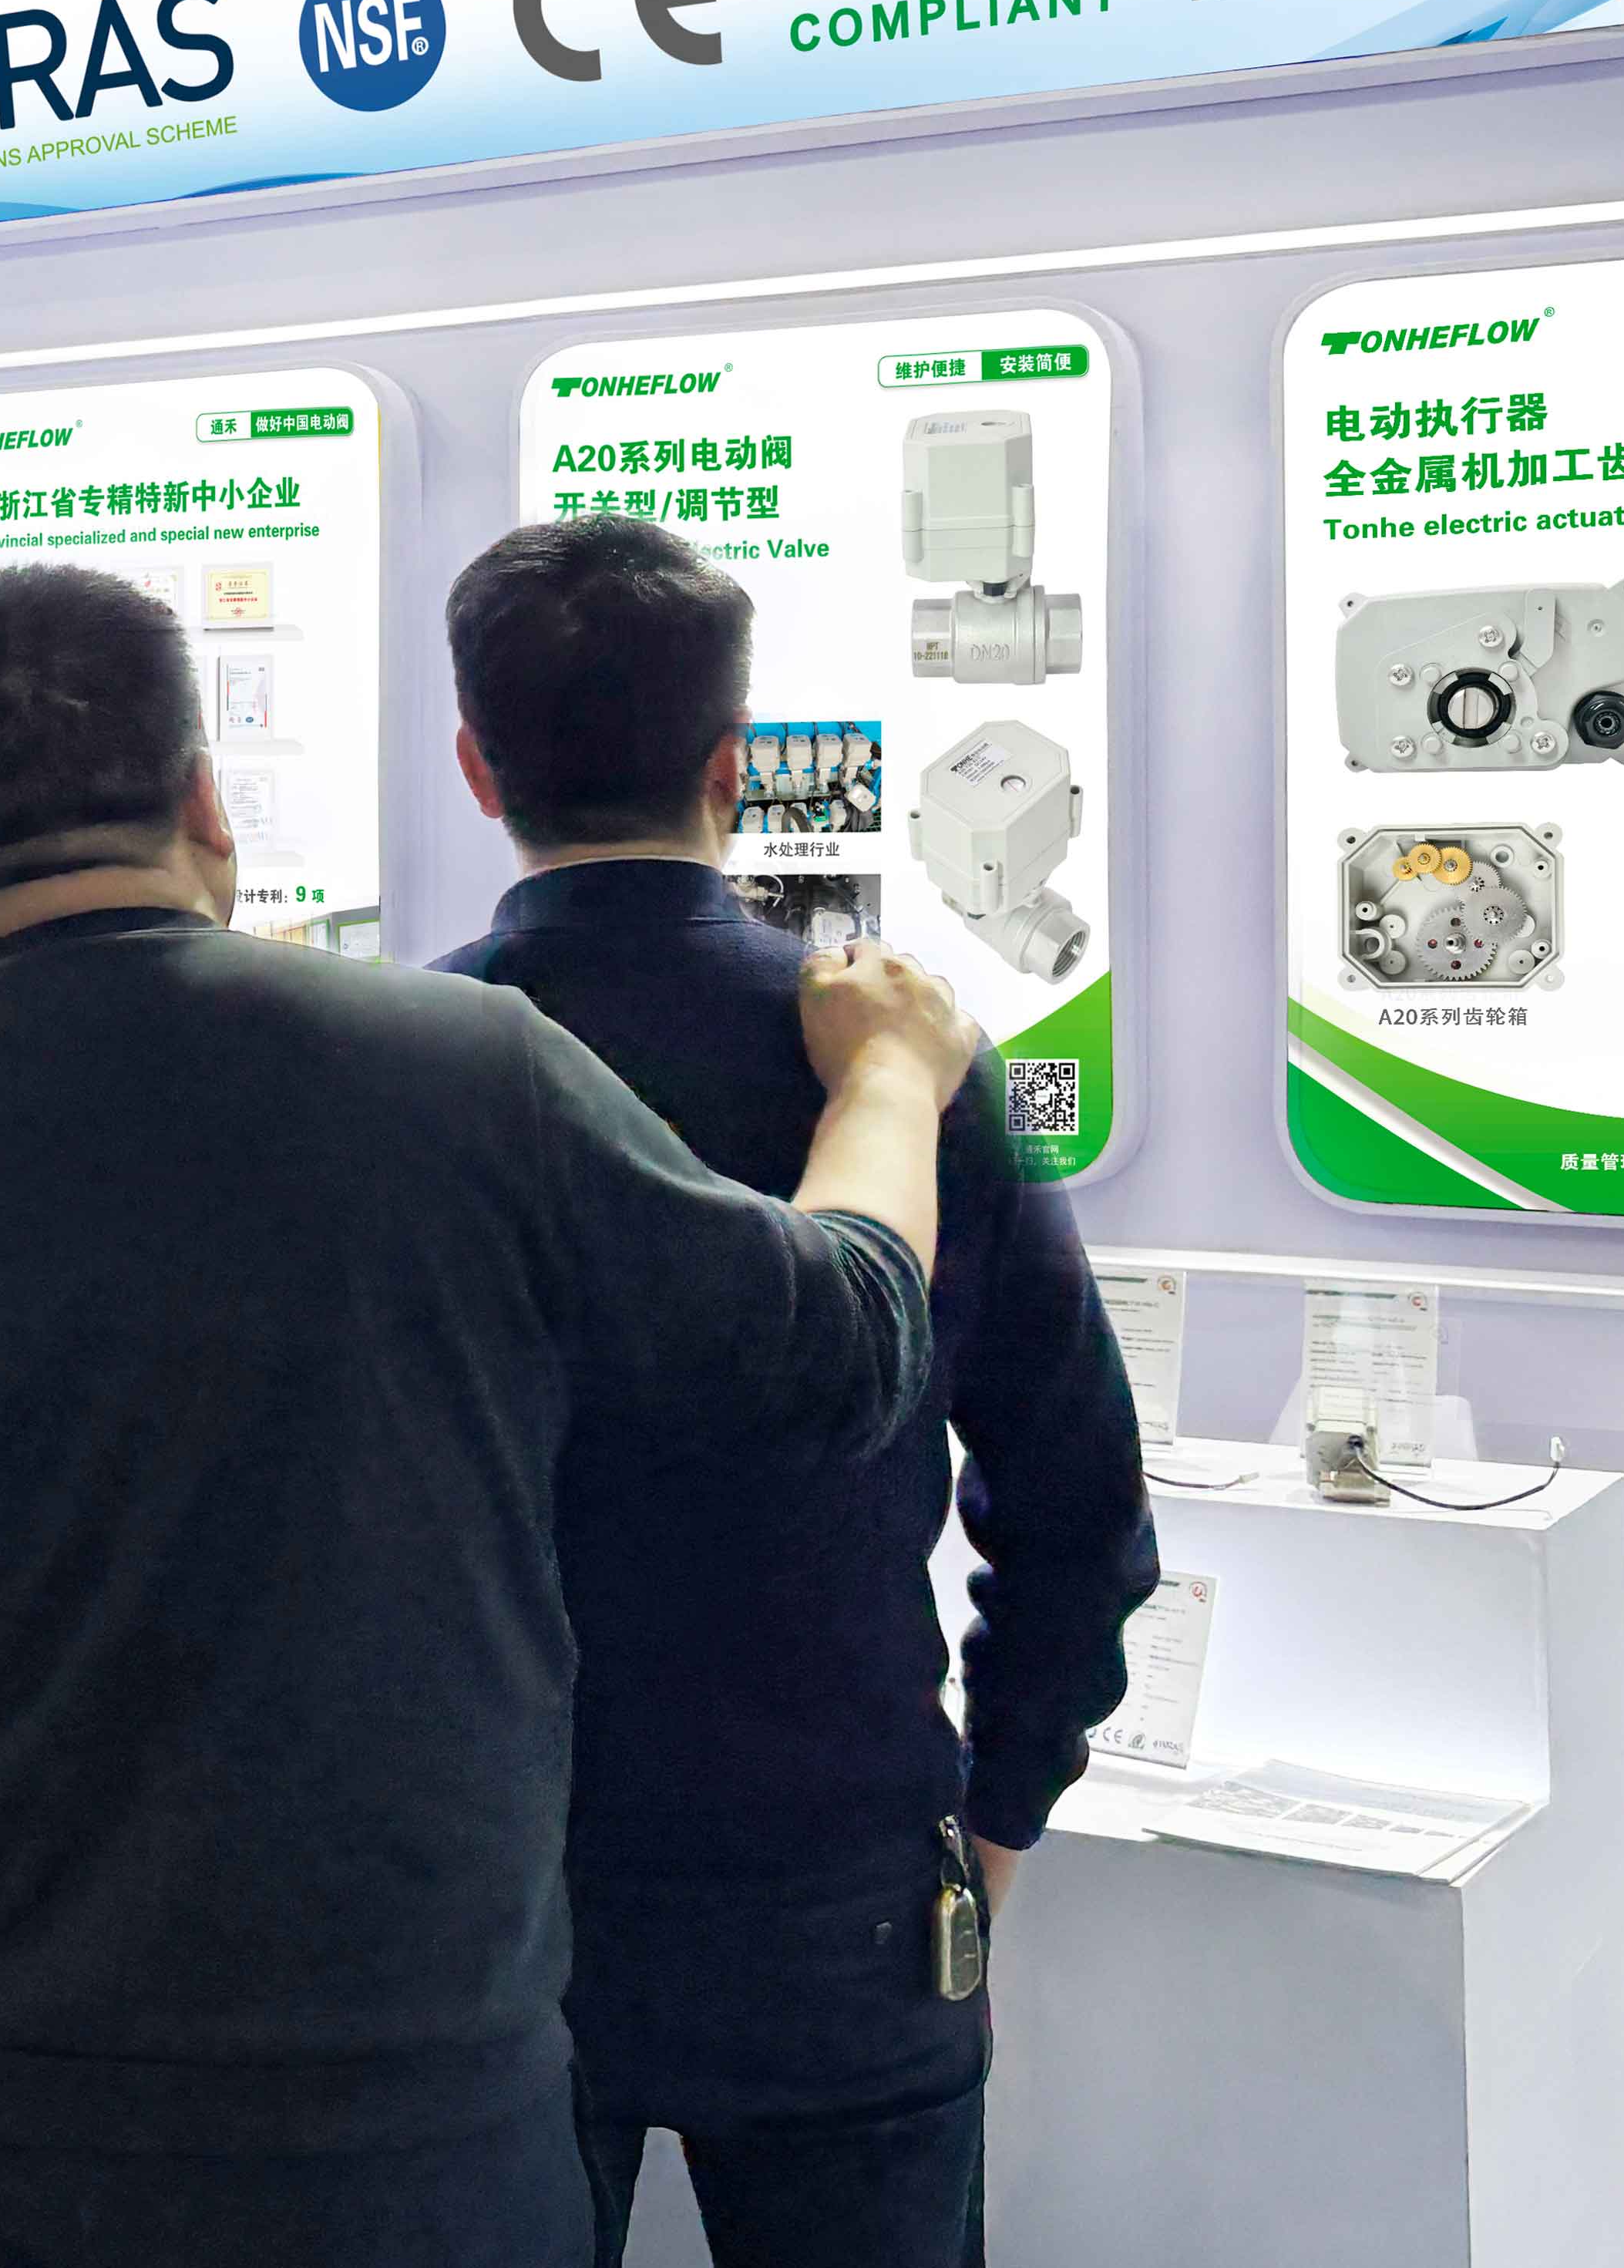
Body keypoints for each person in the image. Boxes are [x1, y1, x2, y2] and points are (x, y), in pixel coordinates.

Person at [0, 564, 970, 2268]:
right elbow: (841, 1351)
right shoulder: (465, 1075)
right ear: (204, 803)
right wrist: (891, 1077)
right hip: (408, 2117)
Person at [435, 517, 1159, 2268]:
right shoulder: (900, 1059)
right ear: (734, 766)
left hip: (487, 1882)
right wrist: (999, 1808)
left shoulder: (406, 1075)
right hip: (841, 1864)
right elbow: (1078, 1503)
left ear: (475, 768)